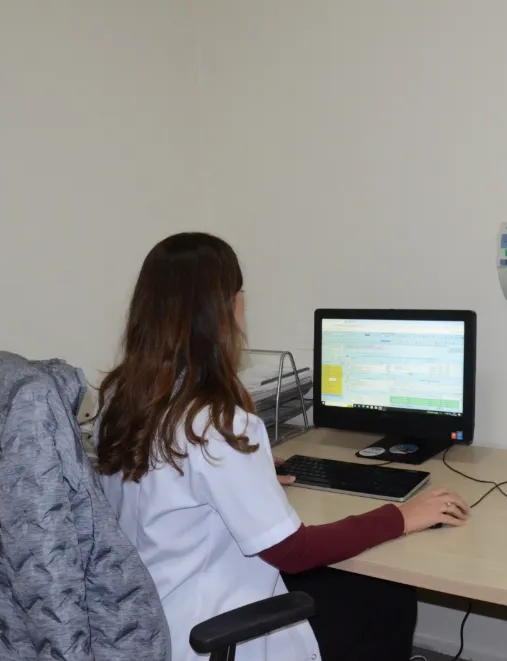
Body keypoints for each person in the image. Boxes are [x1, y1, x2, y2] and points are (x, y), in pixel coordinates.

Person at [94, 232, 469, 661]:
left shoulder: (119, 399)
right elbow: (294, 552)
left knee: (352, 586)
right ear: (226, 309)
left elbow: (172, 482)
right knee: (390, 597)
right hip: (213, 635)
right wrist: (401, 516)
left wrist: (248, 472)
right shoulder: (220, 425)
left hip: (144, 623)